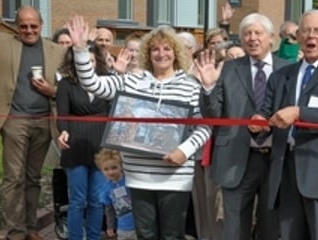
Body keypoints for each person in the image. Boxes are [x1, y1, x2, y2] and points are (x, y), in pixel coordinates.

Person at [69, 17, 212, 239]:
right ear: (147, 53)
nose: (161, 53)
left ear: (176, 53)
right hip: (139, 175)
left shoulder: (190, 86)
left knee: (173, 235)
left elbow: (204, 126)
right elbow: (92, 84)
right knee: (145, 235)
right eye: (155, 49)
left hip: (176, 176)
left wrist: (184, 151)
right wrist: (80, 50)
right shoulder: (132, 81)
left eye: (167, 48)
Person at [0, 2, 67, 238]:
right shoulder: (2, 43)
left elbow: (68, 87)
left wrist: (52, 91)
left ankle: (31, 227)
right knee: (13, 178)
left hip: (44, 121)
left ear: (41, 25)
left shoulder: (55, 50)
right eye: (24, 26)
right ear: (17, 27)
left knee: (33, 178)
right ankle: (16, 231)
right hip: (14, 120)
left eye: (33, 26)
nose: (28, 30)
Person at [253, 9, 318, 240]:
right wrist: (258, 124)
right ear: (298, 37)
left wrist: (300, 113)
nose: (311, 36)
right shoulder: (281, 75)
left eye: (317, 31)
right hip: (286, 173)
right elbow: (267, 115)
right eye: (305, 31)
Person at [196, 12, 289, 240]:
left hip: (276, 159)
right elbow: (213, 116)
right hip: (236, 158)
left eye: (258, 33)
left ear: (271, 38)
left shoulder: (288, 69)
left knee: (271, 228)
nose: (252, 38)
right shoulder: (228, 69)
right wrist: (208, 88)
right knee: (234, 230)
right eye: (247, 33)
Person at [55, 43, 112, 240]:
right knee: (78, 200)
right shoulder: (66, 84)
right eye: (84, 61)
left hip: (101, 147)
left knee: (97, 200)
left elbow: (116, 112)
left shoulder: (107, 82)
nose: (88, 64)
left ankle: (94, 237)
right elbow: (61, 114)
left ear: (98, 62)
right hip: (75, 146)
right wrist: (63, 132)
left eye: (92, 60)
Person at [96, 148, 137, 240]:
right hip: (122, 227)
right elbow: (109, 209)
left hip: (138, 225)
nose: (110, 172)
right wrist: (110, 225)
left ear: (121, 166)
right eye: (106, 169)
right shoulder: (105, 188)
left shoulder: (129, 181)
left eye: (114, 168)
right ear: (101, 170)